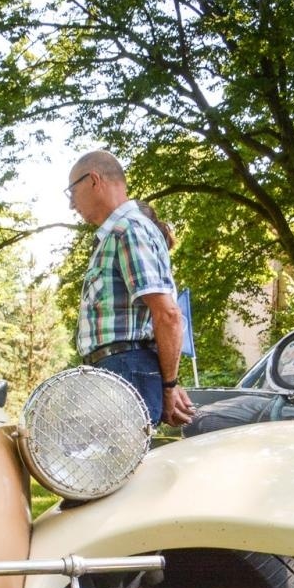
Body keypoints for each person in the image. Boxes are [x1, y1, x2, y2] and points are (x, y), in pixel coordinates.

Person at [67, 151, 193, 426]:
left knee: (116, 455)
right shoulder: (118, 233)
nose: (71, 204)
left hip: (125, 368)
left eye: (72, 192)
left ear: (94, 180)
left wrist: (169, 386)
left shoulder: (129, 230)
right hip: (122, 368)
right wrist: (164, 380)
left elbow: (168, 315)